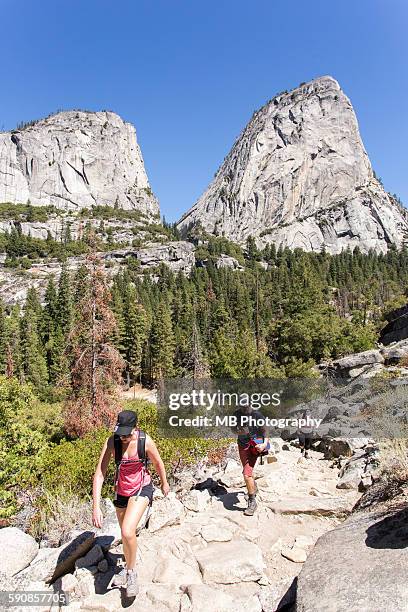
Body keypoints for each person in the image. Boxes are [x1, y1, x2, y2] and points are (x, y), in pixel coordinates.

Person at [92, 410, 170, 597]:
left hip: (142, 488)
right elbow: (100, 474)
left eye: (127, 433)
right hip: (122, 491)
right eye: (121, 433)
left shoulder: (145, 441)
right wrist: (95, 506)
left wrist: (165, 482)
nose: (124, 437)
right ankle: (128, 565)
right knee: (125, 536)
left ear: (135, 428)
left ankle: (131, 573)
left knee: (128, 531)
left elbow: (158, 463)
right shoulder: (113, 442)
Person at [232, 405, 270, 516]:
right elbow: (233, 429)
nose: (245, 409)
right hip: (242, 445)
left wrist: (264, 444)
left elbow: (265, 430)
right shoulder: (236, 414)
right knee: (247, 471)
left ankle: (252, 501)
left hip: (255, 446)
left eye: (246, 407)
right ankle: (253, 487)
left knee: (246, 474)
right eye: (242, 407)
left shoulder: (257, 415)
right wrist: (240, 432)